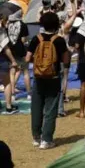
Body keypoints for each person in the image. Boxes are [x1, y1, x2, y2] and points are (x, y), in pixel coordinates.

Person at [26, 12, 70, 149]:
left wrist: (39, 63)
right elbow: (66, 60)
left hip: (38, 77)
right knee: (51, 109)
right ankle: (47, 139)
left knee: (36, 107)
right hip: (54, 77)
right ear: (56, 24)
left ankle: (36, 137)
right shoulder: (59, 40)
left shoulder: (36, 39)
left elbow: (27, 58)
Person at [7, 10, 30, 100]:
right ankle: (29, 94)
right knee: (25, 72)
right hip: (21, 50)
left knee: (12, 72)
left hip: (11, 50)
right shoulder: (23, 25)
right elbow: (24, 40)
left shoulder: (8, 24)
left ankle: (12, 94)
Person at [0, 16, 20, 114]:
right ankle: (8, 106)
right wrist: (13, 60)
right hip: (1, 59)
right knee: (7, 83)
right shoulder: (1, 30)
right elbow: (5, 47)